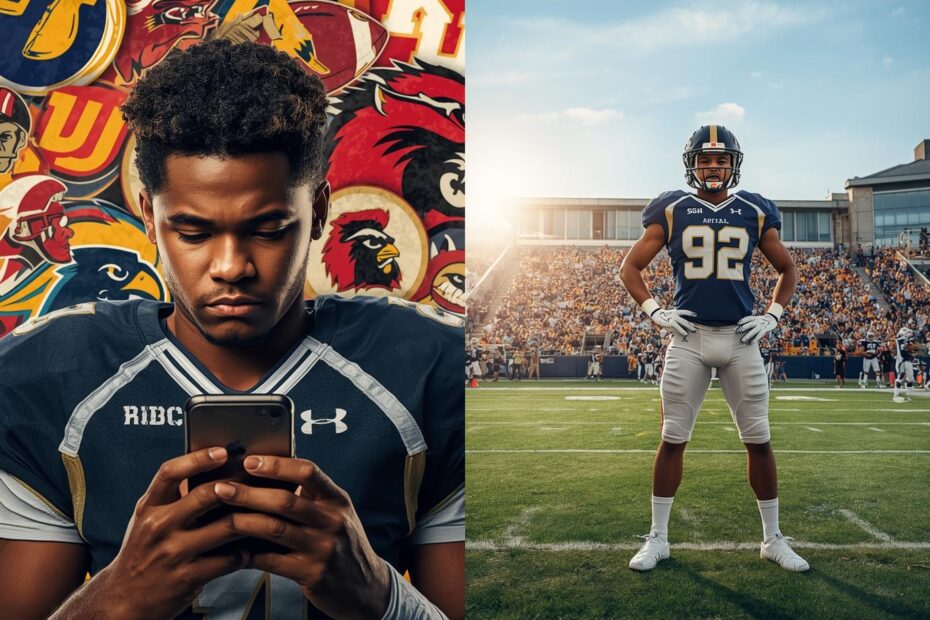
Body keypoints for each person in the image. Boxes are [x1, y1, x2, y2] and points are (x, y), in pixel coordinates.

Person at [0, 41, 463, 620]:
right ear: (149, 214)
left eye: (268, 230)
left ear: (318, 213)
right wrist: (122, 595)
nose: (230, 267)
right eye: (192, 232)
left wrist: (377, 593)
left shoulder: (427, 362)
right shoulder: (48, 371)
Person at [619, 125, 807, 572]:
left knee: (759, 440)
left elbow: (787, 268)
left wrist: (772, 315)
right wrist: (655, 311)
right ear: (692, 164)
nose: (714, 167)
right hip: (687, 337)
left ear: (734, 164)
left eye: (721, 160)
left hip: (741, 339)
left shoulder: (754, 210)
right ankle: (658, 537)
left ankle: (772, 539)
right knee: (672, 439)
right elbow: (629, 267)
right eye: (705, 159)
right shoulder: (672, 208)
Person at [893, 322, 918, 403]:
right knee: (900, 377)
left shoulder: (906, 340)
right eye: (907, 332)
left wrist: (912, 349)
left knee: (910, 378)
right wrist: (911, 347)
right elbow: (903, 350)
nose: (909, 334)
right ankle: (896, 395)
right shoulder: (900, 340)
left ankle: (909, 395)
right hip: (901, 361)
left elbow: (913, 349)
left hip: (907, 360)